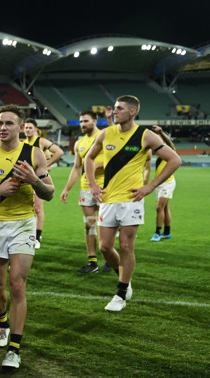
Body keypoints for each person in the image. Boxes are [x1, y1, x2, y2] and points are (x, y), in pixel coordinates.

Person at [0, 104, 54, 369]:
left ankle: (14, 349)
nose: (3, 128)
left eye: (9, 123)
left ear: (21, 127)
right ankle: (2, 322)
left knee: (17, 284)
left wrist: (34, 180)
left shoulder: (34, 154)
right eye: (0, 123)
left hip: (23, 225)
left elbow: (49, 193)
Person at [85, 95, 181, 312]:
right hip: (108, 199)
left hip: (131, 201)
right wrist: (92, 185)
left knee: (127, 246)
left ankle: (121, 292)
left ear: (132, 112)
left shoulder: (145, 136)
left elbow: (175, 160)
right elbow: (89, 159)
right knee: (105, 247)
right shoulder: (105, 133)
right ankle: (125, 279)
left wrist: (150, 186)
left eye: (119, 108)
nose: (114, 111)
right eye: (115, 108)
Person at [60, 110, 112, 273]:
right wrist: (67, 188)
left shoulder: (104, 137)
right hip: (86, 188)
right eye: (81, 121)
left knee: (106, 225)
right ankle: (92, 263)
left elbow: (115, 158)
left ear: (95, 121)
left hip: (105, 187)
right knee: (89, 224)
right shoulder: (79, 143)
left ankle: (110, 258)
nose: (82, 124)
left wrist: (98, 165)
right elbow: (76, 168)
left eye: (86, 121)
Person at [23, 118, 64, 248]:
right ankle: (29, 233)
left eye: (30, 127)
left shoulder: (41, 141)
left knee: (38, 208)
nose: (28, 130)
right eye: (26, 128)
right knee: (28, 208)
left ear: (36, 129)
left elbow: (59, 152)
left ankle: (37, 236)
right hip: (26, 179)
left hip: (39, 179)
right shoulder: (22, 143)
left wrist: (46, 165)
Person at [149, 125, 177, 241]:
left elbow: (169, 143)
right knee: (165, 208)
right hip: (160, 183)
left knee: (159, 207)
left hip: (167, 182)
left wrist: (161, 133)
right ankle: (167, 232)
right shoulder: (160, 154)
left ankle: (157, 233)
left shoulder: (170, 150)